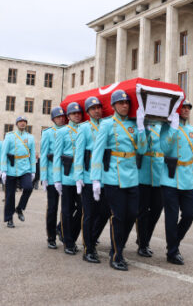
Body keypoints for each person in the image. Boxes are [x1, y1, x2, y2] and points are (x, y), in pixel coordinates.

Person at [92, 89, 146, 271]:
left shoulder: (133, 123)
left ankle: (118, 247)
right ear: (114, 105)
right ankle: (116, 255)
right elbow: (97, 152)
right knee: (118, 217)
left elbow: (142, 150)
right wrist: (96, 179)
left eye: (127, 103)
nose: (125, 105)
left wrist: (141, 129)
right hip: (114, 177)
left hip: (132, 176)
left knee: (131, 215)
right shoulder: (107, 124)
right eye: (121, 103)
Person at [160, 100, 193, 265]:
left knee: (189, 215)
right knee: (171, 216)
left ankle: (173, 243)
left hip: (187, 179)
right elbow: (164, 148)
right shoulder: (166, 128)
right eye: (183, 107)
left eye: (188, 108)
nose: (185, 110)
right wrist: (173, 128)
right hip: (169, 178)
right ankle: (172, 251)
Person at [74, 96, 108, 264]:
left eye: (98, 108)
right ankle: (88, 249)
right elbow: (79, 154)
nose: (97, 110)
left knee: (105, 212)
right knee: (89, 213)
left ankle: (92, 239)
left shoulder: (106, 125)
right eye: (93, 108)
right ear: (88, 112)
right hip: (88, 177)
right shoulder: (84, 128)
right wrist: (79, 177)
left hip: (105, 176)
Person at [53, 102, 84, 255]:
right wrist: (57, 179)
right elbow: (57, 156)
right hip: (67, 175)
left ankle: (67, 232)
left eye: (79, 113)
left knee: (83, 208)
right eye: (73, 113)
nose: (77, 115)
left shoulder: (85, 129)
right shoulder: (63, 132)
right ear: (69, 116)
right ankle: (68, 242)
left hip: (82, 175)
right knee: (66, 209)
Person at [0, 116, 36, 228]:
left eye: (24, 122)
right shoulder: (10, 136)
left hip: (25, 168)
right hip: (11, 168)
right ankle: (9, 218)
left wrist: (33, 170)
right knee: (10, 195)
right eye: (20, 122)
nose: (22, 124)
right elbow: (3, 153)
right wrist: (3, 170)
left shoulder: (30, 137)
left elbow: (33, 155)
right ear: (16, 124)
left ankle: (19, 208)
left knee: (29, 187)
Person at [136, 117, 164, 258]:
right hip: (143, 174)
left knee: (157, 209)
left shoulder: (162, 125)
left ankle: (144, 237)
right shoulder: (140, 124)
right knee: (142, 211)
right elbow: (141, 148)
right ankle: (143, 244)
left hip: (159, 175)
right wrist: (142, 128)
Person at [40, 107, 66, 249]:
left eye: (63, 116)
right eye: (58, 117)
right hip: (51, 175)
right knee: (52, 207)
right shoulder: (48, 133)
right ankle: (51, 236)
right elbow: (44, 155)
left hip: (67, 174)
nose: (61, 118)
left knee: (70, 207)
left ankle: (60, 228)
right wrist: (43, 177)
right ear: (53, 119)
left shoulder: (69, 131)